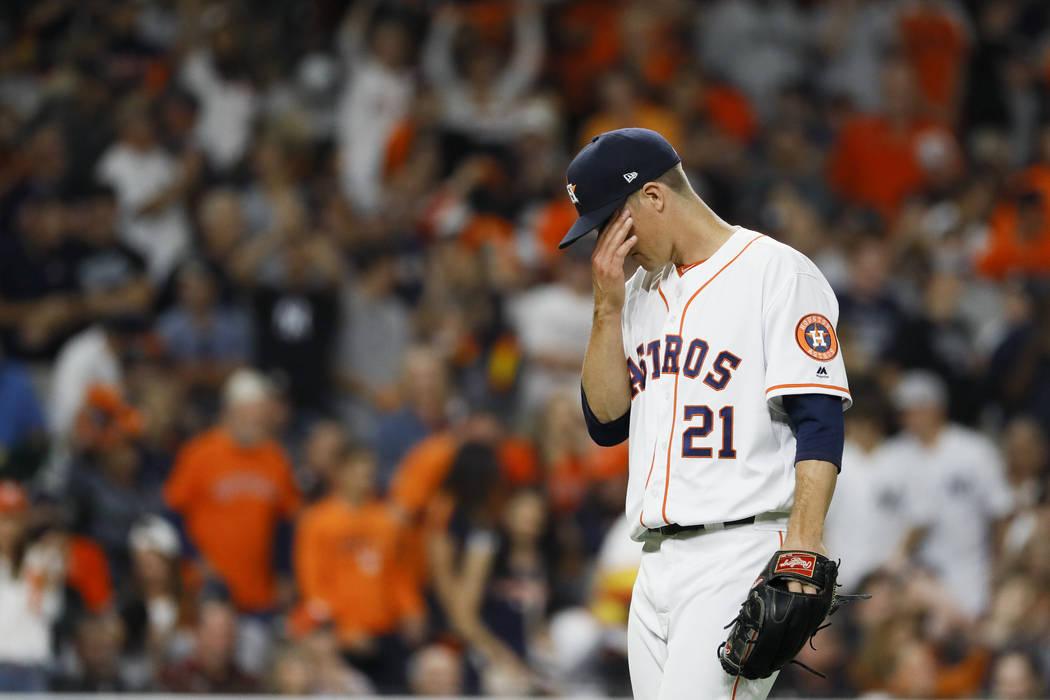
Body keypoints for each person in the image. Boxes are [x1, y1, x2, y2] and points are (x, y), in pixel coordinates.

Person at [565, 128, 850, 699]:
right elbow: (606, 422)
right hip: (652, 562)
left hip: (737, 551)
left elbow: (819, 419)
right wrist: (606, 308)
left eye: (610, 222)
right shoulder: (638, 291)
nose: (606, 243)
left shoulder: (776, 272)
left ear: (652, 197)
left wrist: (803, 542)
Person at [164, 369, 300, 614]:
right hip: (206, 589)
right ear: (231, 411)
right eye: (253, 415)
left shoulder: (276, 458)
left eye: (262, 416)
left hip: (259, 591)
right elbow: (173, 514)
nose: (260, 423)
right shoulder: (200, 453)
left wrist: (284, 573)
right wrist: (194, 558)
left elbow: (284, 523)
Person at [294, 445, 424, 691]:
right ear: (340, 473)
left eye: (369, 471)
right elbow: (313, 585)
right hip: (339, 637)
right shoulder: (317, 521)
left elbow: (400, 575)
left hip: (386, 630)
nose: (366, 476)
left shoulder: (387, 520)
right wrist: (345, 630)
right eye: (358, 470)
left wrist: (411, 609)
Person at [886, 370, 1014, 616]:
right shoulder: (892, 455)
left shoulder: (974, 450)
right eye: (906, 411)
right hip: (913, 579)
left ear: (938, 407)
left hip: (969, 573)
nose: (912, 418)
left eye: (919, 408)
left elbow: (1001, 514)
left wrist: (997, 572)